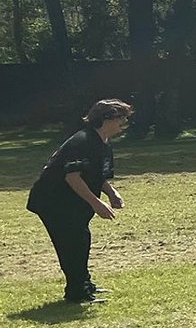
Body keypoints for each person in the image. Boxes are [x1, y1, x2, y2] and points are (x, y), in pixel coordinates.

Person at [26, 98, 134, 304]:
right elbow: (72, 177)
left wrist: (111, 193)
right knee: (73, 243)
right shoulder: (82, 141)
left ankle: (84, 283)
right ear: (107, 118)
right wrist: (97, 203)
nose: (125, 123)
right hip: (53, 202)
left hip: (71, 203)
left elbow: (95, 175)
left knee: (80, 240)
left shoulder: (102, 142)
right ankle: (77, 292)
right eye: (122, 118)